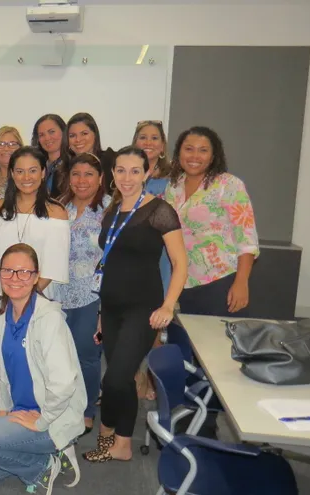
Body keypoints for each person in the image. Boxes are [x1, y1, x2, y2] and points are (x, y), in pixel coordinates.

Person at [83, 146, 187, 463]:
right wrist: (101, 314)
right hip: (111, 308)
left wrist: (169, 305)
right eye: (121, 170)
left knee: (113, 378)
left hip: (144, 308)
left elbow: (180, 263)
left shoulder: (160, 210)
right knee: (123, 378)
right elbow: (110, 263)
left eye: (134, 171)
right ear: (112, 174)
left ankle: (107, 431)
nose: (127, 177)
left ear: (147, 173)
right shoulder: (111, 211)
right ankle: (123, 445)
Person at [0, 243, 85, 494]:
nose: (15, 278)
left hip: (52, 417)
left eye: (24, 272)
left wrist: (43, 421)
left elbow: (64, 383)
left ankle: (41, 466)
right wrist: (4, 410)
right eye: (8, 271)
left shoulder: (48, 319)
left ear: (36, 276)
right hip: (21, 412)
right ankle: (51, 457)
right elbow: (5, 373)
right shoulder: (0, 313)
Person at [0, 146, 70, 389]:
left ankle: (32, 408)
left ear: (43, 173)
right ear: (11, 174)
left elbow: (53, 265)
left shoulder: (56, 212)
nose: (25, 177)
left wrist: (25, 298)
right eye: (19, 171)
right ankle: (6, 405)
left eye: (32, 171)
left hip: (37, 296)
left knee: (34, 355)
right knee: (3, 353)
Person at [164, 126, 259, 317]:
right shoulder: (173, 187)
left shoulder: (229, 184)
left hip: (222, 282)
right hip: (185, 283)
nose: (195, 156)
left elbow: (246, 239)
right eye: (189, 149)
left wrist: (241, 282)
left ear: (213, 156)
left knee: (218, 345)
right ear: (179, 152)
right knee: (190, 344)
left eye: (203, 150)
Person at [55, 153, 108, 434]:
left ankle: (86, 410)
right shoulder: (57, 207)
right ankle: (61, 405)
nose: (82, 180)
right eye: (76, 174)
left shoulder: (110, 209)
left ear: (100, 179)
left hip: (92, 295)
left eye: (89, 174)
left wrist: (106, 305)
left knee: (86, 353)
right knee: (59, 354)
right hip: (56, 293)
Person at [131, 119, 172, 401]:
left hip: (161, 258)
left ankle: (153, 378)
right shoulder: (128, 175)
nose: (148, 142)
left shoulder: (172, 181)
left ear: (163, 145)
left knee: (157, 323)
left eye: (154, 138)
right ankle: (136, 375)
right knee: (133, 323)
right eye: (142, 137)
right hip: (132, 259)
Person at [32, 114, 69, 198]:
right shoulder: (37, 166)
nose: (47, 138)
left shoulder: (73, 165)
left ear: (64, 132)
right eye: (41, 135)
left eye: (51, 132)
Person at [0, 126, 23, 200]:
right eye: (1, 144)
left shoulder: (29, 178)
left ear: (20, 149)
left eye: (12, 144)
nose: (6, 148)